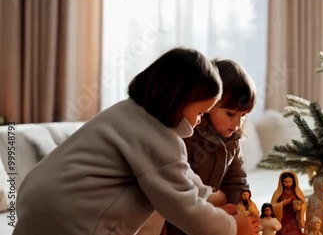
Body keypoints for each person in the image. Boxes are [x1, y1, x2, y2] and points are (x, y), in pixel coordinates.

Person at [12, 48, 259, 235]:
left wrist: (209, 197)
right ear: (178, 100)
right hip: (70, 219)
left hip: (35, 203)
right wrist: (232, 227)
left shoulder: (125, 113)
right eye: (199, 113)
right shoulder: (157, 136)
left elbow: (177, 175)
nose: (198, 122)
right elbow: (181, 206)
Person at [144, 58, 258, 234]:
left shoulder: (233, 141)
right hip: (178, 218)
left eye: (243, 116)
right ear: (209, 104)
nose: (237, 123)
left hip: (207, 215)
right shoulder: (186, 135)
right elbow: (178, 187)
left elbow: (236, 180)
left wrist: (240, 206)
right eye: (230, 114)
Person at [271, 169, 307, 235]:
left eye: (289, 181)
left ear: (293, 181)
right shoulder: (278, 193)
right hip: (283, 218)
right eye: (285, 182)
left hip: (294, 218)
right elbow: (273, 205)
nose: (288, 184)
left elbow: (304, 203)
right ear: (282, 182)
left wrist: (300, 206)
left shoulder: (297, 192)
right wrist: (281, 204)